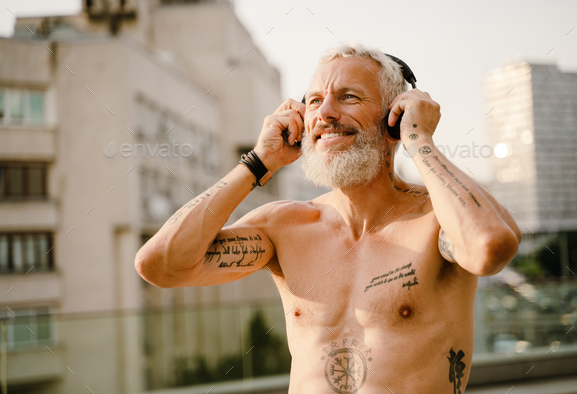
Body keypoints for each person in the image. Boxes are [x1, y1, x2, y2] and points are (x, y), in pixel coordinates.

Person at [135, 43, 522, 394]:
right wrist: (259, 162)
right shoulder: (285, 226)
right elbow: (160, 264)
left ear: (394, 118)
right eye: (315, 101)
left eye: (348, 97)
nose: (325, 113)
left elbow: (489, 247)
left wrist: (419, 139)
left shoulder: (437, 220)